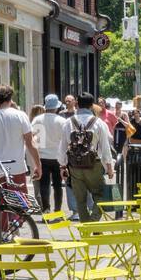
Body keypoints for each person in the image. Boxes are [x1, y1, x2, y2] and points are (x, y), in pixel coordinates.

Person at [57, 92, 115, 223]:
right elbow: (105, 148)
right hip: (94, 164)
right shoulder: (98, 123)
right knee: (101, 195)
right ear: (91, 106)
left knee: (80, 199)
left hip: (74, 166)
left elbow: (62, 147)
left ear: (77, 104)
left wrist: (62, 166)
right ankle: (93, 222)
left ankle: (85, 228)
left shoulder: (68, 122)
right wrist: (109, 167)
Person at [0, 84, 41, 193]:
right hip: (17, 168)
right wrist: (38, 165)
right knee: (19, 204)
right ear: (11, 98)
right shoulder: (21, 116)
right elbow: (30, 143)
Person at [31, 94, 67, 214]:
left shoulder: (38, 119)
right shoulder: (62, 121)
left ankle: (46, 208)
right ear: (57, 107)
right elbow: (66, 140)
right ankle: (57, 210)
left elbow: (34, 138)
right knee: (58, 185)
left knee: (44, 185)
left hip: (42, 156)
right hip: (58, 157)